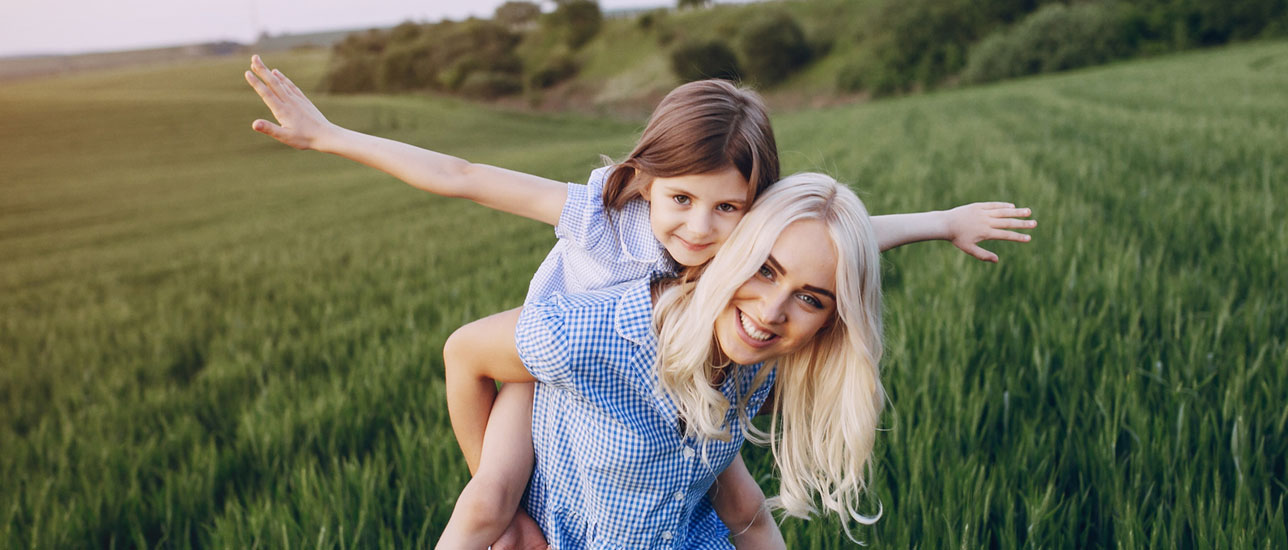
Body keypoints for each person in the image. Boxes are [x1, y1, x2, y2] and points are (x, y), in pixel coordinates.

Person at [243, 55, 1036, 548]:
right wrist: (333, 136)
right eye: (681, 200)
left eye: (728, 209)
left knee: (719, 483)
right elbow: (462, 176)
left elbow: (835, 240)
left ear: (754, 207)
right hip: (543, 360)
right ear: (646, 177)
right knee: (490, 502)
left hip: (660, 388)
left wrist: (942, 222)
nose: (700, 228)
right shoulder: (599, 217)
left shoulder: (745, 267)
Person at [512, 173, 883, 547]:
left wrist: (938, 223)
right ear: (733, 249)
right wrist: (503, 505)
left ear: (829, 323)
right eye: (764, 270)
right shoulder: (608, 332)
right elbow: (467, 351)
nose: (771, 312)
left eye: (810, 300)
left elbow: (746, 510)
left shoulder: (755, 368)